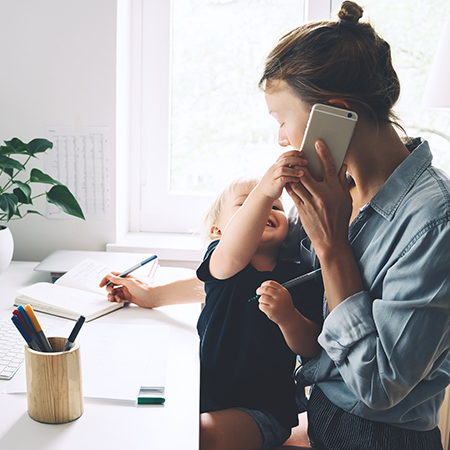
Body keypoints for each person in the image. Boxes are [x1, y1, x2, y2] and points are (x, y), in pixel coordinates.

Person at [101, 1, 450, 448]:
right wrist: (153, 296)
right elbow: (249, 276)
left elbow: (379, 387)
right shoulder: (336, 187)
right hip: (322, 418)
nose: (281, 139)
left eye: (283, 120)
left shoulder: (431, 221)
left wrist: (333, 246)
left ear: (336, 112)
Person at [195, 172, 323, 450]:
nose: (265, 207)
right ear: (217, 231)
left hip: (264, 411)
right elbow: (234, 253)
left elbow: (312, 346)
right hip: (204, 394)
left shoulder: (300, 275)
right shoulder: (221, 261)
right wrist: (266, 191)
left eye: (275, 206)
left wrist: (288, 317)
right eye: (247, 204)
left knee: (199, 436)